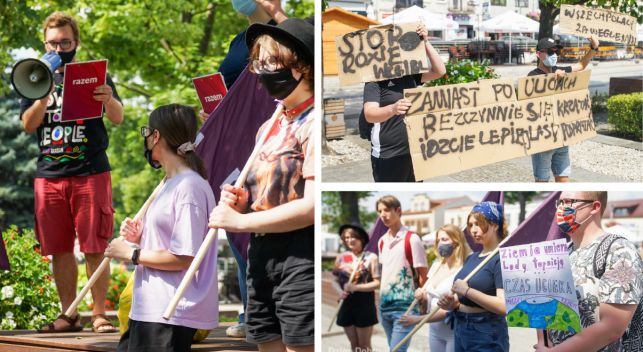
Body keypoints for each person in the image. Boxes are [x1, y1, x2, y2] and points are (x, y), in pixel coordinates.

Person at [208, 18, 314, 351]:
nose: (263, 71)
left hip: (300, 255)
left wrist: (240, 221)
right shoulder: (269, 125)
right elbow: (261, 195)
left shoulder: (315, 123)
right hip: (261, 256)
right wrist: (240, 201)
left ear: (303, 67)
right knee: (266, 343)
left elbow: (311, 206)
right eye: (259, 62)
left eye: (272, 61)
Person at [20, 11, 124, 334]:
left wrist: (108, 100)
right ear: (44, 43)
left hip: (90, 171)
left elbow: (118, 117)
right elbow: (27, 124)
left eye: (66, 42)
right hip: (49, 176)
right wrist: (43, 95)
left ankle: (98, 315)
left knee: (95, 246)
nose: (60, 48)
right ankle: (69, 314)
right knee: (59, 248)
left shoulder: (95, 74)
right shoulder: (35, 76)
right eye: (53, 43)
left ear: (76, 42)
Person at [104, 104, 219, 351]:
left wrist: (131, 254)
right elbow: (171, 243)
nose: (145, 137)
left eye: (147, 131)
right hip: (149, 308)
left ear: (156, 136)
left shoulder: (188, 186)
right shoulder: (171, 182)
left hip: (169, 311)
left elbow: (184, 256)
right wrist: (141, 237)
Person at [535, 192, 643, 352]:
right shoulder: (560, 252)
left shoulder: (619, 250)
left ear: (594, 207)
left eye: (569, 202)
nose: (561, 208)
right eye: (560, 202)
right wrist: (543, 342)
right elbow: (543, 305)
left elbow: (611, 328)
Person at [363, 23, 446, 182]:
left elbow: (439, 71)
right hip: (388, 155)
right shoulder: (374, 80)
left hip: (414, 151)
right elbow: (369, 114)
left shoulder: (410, 74)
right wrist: (392, 109)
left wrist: (425, 42)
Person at [437, 201, 509, 352]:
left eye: (478, 224)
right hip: (460, 325)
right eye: (470, 225)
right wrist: (452, 302)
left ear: (494, 225)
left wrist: (467, 291)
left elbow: (504, 306)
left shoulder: (501, 258)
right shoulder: (472, 258)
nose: (473, 230)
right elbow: (463, 295)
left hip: (486, 332)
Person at [528, 36, 599, 183]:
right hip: (543, 140)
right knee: (542, 181)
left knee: (563, 178)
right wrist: (552, 79)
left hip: (561, 138)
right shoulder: (533, 76)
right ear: (538, 54)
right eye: (549, 52)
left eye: (555, 52)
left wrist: (593, 48)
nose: (553, 55)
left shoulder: (560, 70)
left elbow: (581, 65)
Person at [400, 224, 472, 352]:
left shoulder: (464, 270)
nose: (440, 244)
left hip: (453, 333)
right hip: (434, 331)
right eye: (438, 240)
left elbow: (450, 308)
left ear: (456, 242)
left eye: (444, 240)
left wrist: (417, 320)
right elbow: (427, 301)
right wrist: (421, 296)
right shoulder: (436, 265)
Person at [375, 195, 428, 351]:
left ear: (398, 211)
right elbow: (387, 273)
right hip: (384, 308)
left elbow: (423, 275)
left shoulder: (412, 239)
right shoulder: (382, 241)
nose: (382, 215)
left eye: (386, 210)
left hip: (405, 308)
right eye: (379, 211)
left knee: (397, 349)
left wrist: (422, 302)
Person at [331, 223, 380, 352]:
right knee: (354, 345)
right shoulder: (341, 257)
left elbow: (377, 283)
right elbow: (334, 280)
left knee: (364, 346)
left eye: (353, 237)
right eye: (346, 237)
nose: (349, 240)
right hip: (345, 304)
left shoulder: (371, 257)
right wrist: (340, 291)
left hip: (364, 305)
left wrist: (356, 287)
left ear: (361, 238)